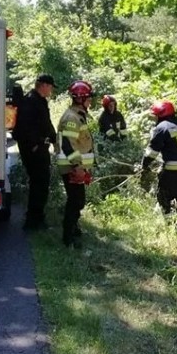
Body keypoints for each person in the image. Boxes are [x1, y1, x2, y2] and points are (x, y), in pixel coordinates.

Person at [14, 74, 57, 231]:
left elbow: (46, 124)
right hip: (34, 150)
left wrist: (54, 138)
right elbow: (24, 127)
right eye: (51, 86)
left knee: (41, 183)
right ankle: (33, 221)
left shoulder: (38, 101)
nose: (51, 90)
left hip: (39, 148)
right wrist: (34, 146)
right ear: (43, 85)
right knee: (39, 183)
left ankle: (37, 217)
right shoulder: (30, 101)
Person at [56, 80, 96, 247]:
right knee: (76, 201)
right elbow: (67, 143)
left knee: (77, 200)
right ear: (80, 99)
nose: (90, 101)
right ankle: (68, 238)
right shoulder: (72, 118)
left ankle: (74, 229)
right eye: (88, 98)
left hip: (77, 165)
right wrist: (77, 167)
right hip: (72, 166)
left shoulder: (79, 115)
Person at [141, 100, 177, 213]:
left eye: (156, 116)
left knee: (164, 197)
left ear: (161, 115)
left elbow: (152, 151)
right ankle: (175, 222)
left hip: (174, 169)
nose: (155, 118)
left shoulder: (162, 127)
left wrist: (144, 165)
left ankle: (165, 222)